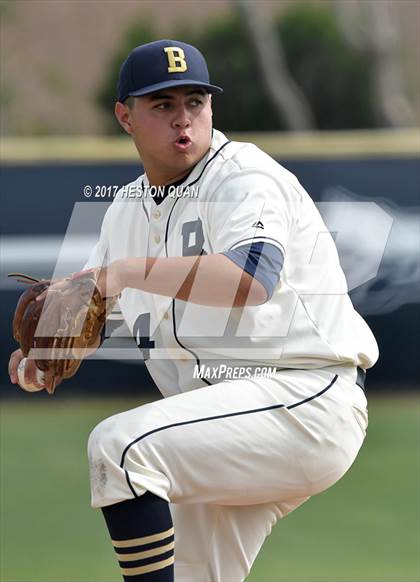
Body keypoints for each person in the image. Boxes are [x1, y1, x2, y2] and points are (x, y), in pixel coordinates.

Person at [9, 40, 378, 581]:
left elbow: (251, 279)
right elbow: (89, 310)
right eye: (162, 105)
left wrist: (129, 271)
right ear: (125, 116)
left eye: (195, 102)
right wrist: (40, 356)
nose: (184, 119)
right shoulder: (126, 210)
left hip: (304, 399)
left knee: (120, 448)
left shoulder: (244, 178)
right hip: (225, 424)